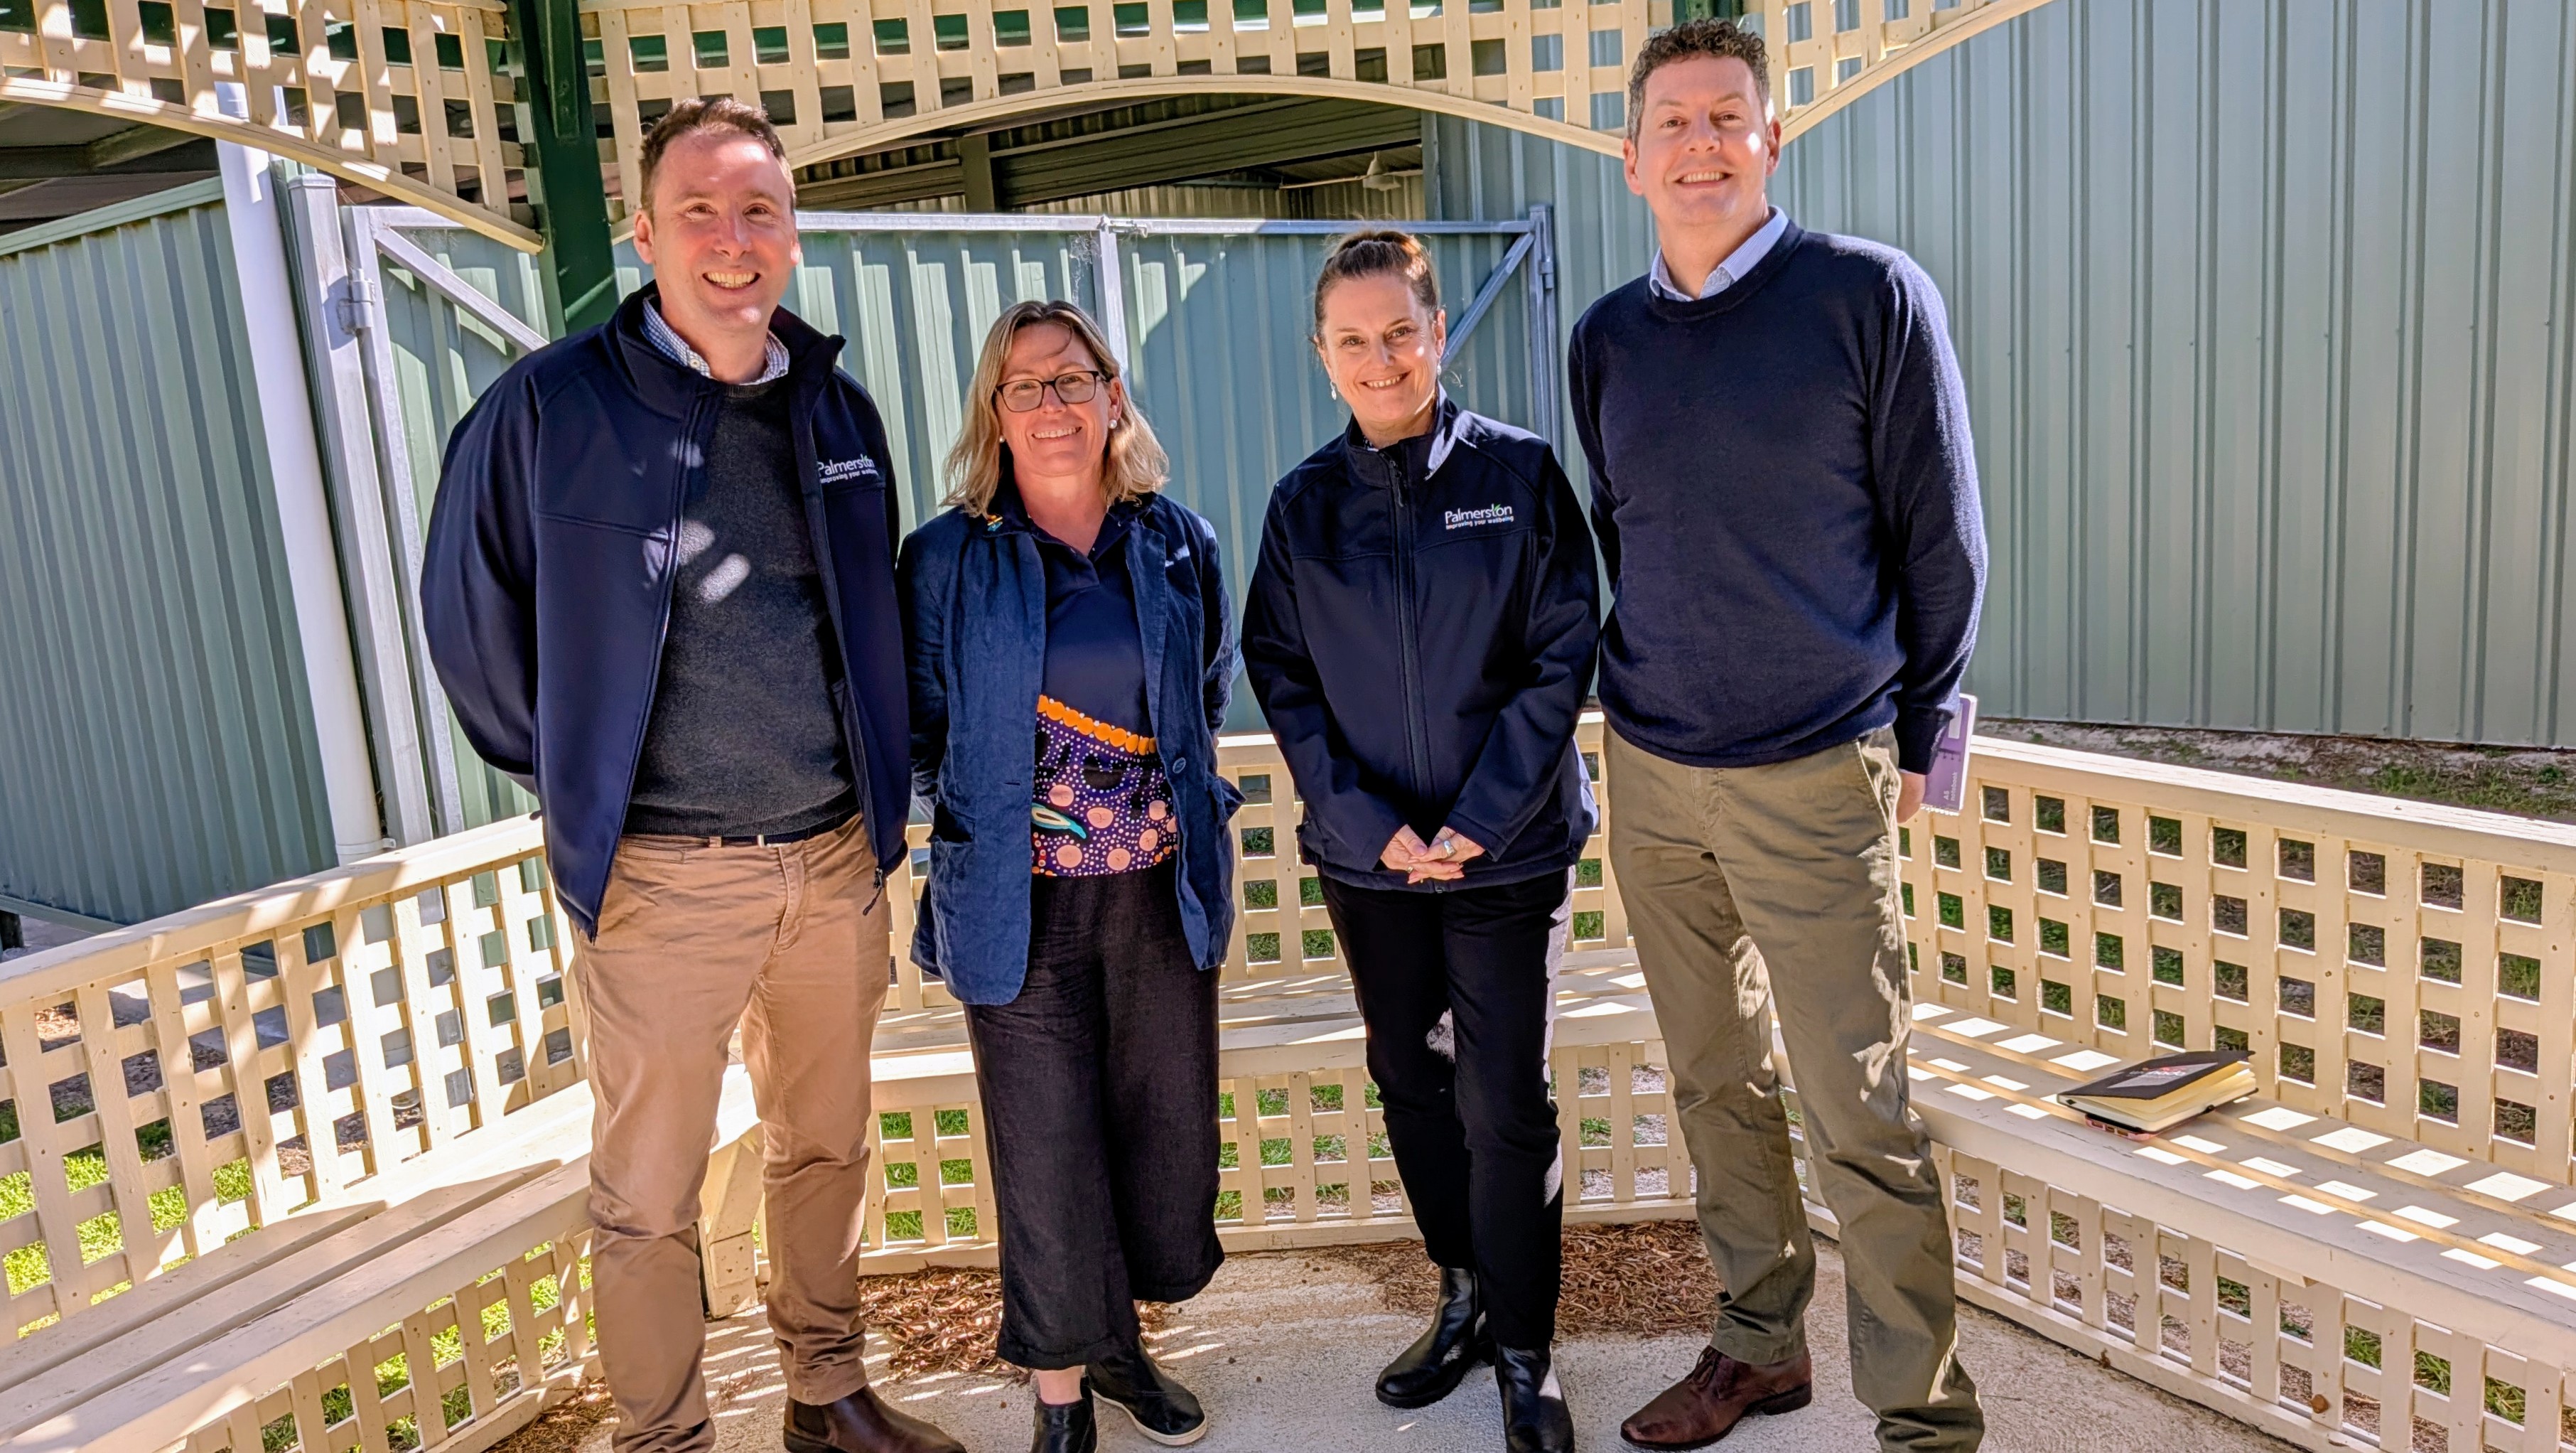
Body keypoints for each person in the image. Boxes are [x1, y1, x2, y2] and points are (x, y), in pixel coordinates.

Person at [420, 100, 962, 1453]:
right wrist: (575, 778)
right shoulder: (550, 408)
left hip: (833, 862)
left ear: (791, 230)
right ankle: (669, 1437)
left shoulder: (836, 407)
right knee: (648, 1198)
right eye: (702, 213)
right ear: (644, 230)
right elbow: (468, 615)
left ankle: (825, 1395)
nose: (734, 242)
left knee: (825, 1150)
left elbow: (864, 615)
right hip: (664, 882)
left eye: (760, 211)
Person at [1566, 18, 1990, 1453]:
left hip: (1815, 770)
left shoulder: (1867, 297)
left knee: (1857, 1110)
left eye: (1724, 117)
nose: (1698, 142)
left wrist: (1920, 735)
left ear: (1769, 139)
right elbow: (1631, 536)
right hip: (1653, 771)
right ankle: (1759, 1341)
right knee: (1713, 1081)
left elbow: (1944, 544)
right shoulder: (1606, 340)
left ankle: (1921, 1415)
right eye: (1670, 122)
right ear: (1630, 161)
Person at [1242, 230, 1600, 1453]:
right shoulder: (1303, 507)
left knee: (1505, 1101)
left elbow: (1562, 656)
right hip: (1371, 867)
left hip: (1507, 856)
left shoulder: (1519, 475)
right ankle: (1460, 1290)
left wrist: (1474, 822)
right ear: (1322, 356)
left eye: (1399, 331)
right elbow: (1278, 674)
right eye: (1352, 339)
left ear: (1437, 334)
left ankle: (1524, 1350)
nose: (1379, 357)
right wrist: (1373, 830)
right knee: (1411, 1078)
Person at [898, 299, 1238, 1453]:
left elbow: (1203, 692)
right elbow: (921, 725)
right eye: (1025, 385)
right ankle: (1059, 1397)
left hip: (1156, 891)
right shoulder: (946, 556)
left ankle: (1121, 1346)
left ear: (1113, 398)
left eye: (1072, 379)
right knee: (1044, 1142)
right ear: (994, 414)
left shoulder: (1173, 538)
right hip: (1015, 902)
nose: (1051, 405)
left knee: (1154, 1129)